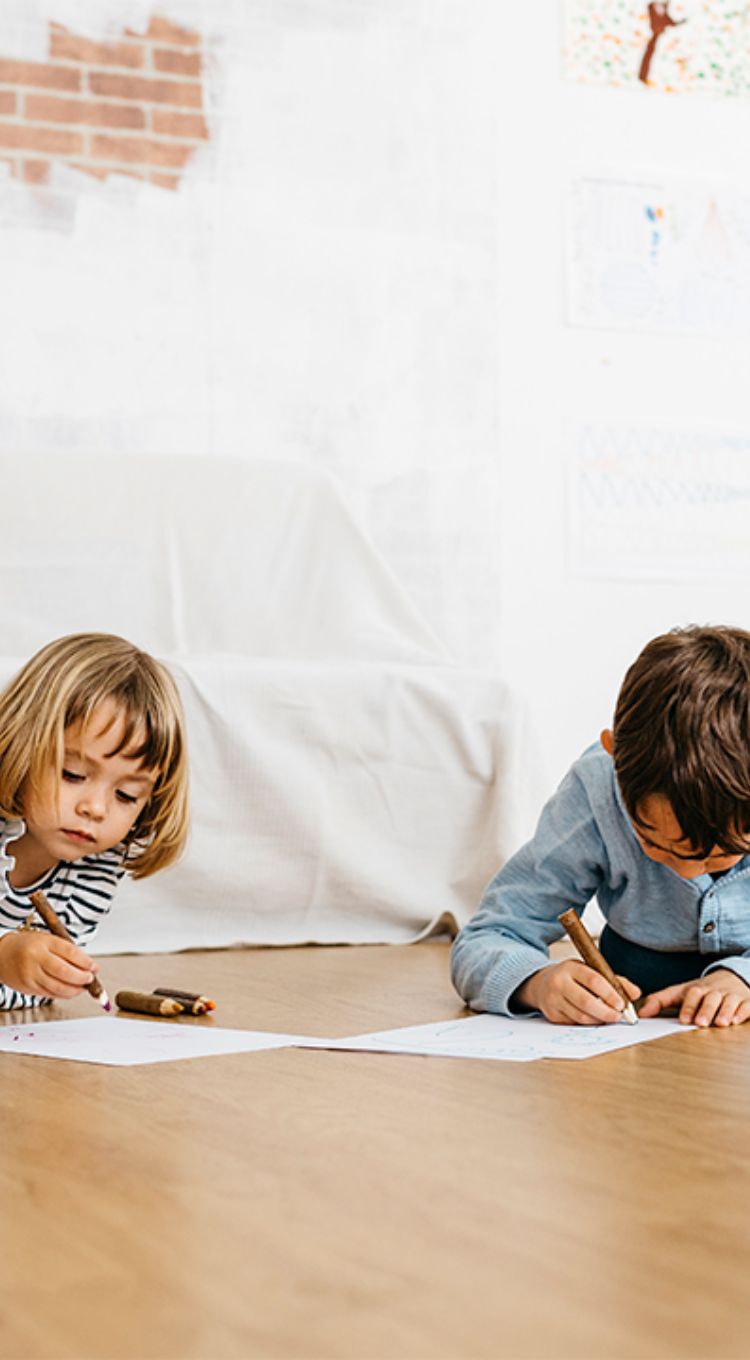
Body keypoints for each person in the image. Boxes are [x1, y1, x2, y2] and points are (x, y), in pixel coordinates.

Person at [451, 625, 750, 1030]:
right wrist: (536, 984)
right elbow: (487, 937)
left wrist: (742, 976)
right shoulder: (596, 792)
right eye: (656, 843)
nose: (686, 871)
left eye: (723, 853)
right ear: (616, 758)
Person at [0, 633, 189, 1009]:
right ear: (18, 745)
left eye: (126, 795)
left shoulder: (96, 865)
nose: (96, 809)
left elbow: (30, 996)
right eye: (72, 774)